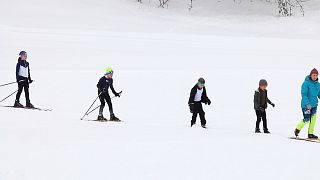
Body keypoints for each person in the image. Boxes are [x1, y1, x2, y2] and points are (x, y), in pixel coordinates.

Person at [294, 68, 320, 139]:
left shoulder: (318, 84)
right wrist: (308, 103)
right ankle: (297, 129)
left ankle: (310, 134)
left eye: (316, 75)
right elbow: (304, 94)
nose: (315, 76)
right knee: (307, 119)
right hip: (306, 105)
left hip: (314, 105)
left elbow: (319, 94)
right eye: (313, 75)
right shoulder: (306, 83)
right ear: (310, 75)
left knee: (313, 120)